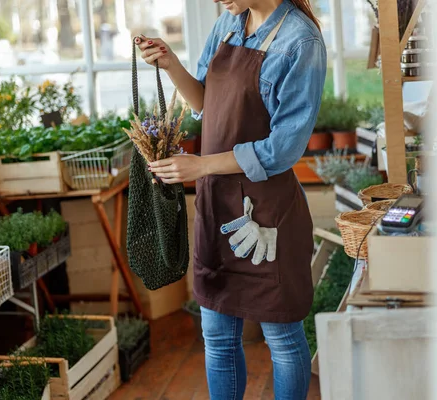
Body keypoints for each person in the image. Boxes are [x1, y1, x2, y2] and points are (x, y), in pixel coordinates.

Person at [137, 0, 326, 398]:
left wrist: (203, 166)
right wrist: (170, 63)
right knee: (217, 335)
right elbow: (203, 102)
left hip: (266, 215)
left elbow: (284, 148)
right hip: (218, 206)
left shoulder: (300, 41)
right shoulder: (227, 23)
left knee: (282, 334)